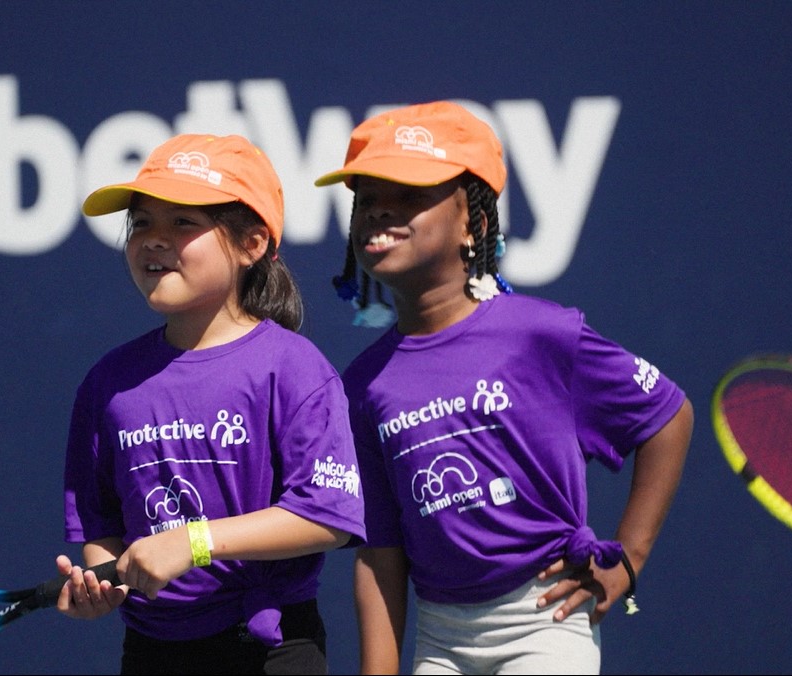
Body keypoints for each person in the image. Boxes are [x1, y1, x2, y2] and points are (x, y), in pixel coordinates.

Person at [314, 101, 694, 675]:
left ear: (475, 223)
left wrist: (629, 557)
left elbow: (668, 414)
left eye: (411, 195)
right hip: (439, 642)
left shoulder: (540, 333)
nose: (380, 211)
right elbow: (380, 554)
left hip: (544, 624)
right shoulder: (362, 384)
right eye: (366, 199)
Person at [57, 133, 366, 676]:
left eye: (182, 223)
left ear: (251, 245)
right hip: (151, 653)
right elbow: (100, 526)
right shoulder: (107, 382)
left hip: (270, 647)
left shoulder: (293, 366)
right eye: (142, 223)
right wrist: (103, 582)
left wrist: (195, 543)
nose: (154, 240)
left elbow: (327, 515)